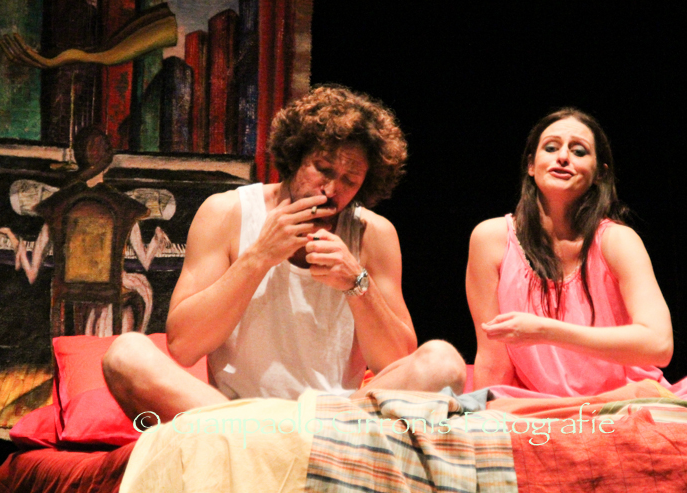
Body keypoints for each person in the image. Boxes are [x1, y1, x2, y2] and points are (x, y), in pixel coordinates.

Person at [104, 86, 466, 422]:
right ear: (295, 157)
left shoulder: (374, 234)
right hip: (238, 417)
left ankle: (306, 439)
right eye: (322, 169)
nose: (330, 189)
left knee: (444, 363)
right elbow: (184, 347)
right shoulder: (226, 213)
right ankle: (264, 439)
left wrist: (356, 283)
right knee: (125, 355)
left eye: (349, 180)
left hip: (335, 419)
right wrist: (259, 256)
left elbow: (397, 362)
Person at [466, 108, 687, 401]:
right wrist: (481, 420)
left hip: (626, 401)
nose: (563, 157)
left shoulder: (617, 241)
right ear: (531, 164)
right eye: (551, 148)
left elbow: (659, 344)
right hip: (545, 407)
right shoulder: (491, 240)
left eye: (579, 151)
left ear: (599, 174)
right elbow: (493, 360)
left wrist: (547, 331)